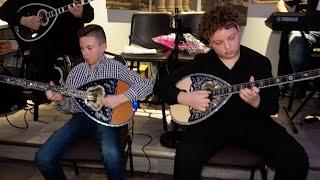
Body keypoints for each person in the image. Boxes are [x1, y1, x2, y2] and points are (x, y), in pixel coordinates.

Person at [157, 4, 309, 180]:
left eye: (232, 37)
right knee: (185, 157)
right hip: (210, 124)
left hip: (253, 123)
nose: (227, 47)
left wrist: (256, 101)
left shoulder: (259, 62)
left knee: (296, 160)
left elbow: (273, 106)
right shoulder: (201, 63)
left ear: (238, 30)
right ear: (208, 41)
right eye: (218, 42)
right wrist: (185, 97)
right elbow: (161, 87)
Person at [34, 24, 153, 180]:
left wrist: (119, 98)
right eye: (82, 48)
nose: (85, 53)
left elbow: (147, 85)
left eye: (89, 48)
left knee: (112, 155)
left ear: (103, 46)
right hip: (81, 119)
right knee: (43, 157)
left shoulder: (115, 68)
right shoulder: (77, 72)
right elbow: (72, 107)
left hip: (106, 121)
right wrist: (61, 99)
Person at [0, 0, 94, 103]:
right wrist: (23, 20)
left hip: (70, 41)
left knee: (86, 53)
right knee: (36, 53)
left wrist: (81, 13)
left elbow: (90, 14)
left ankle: (73, 93)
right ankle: (52, 89)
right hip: (43, 44)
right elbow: (3, 11)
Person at [276, 0, 320, 97]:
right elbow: (281, 3)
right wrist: (289, 19)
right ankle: (303, 82)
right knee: (296, 39)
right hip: (307, 31)